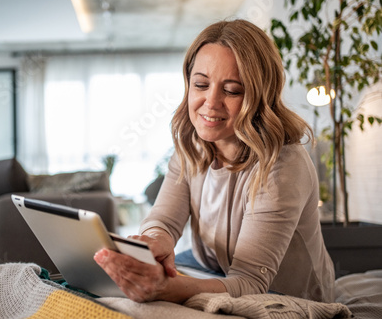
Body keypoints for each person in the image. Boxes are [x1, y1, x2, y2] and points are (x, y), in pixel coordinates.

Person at [94, 19, 335, 304]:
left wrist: (165, 289)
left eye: (232, 90)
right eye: (201, 84)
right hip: (213, 268)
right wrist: (156, 240)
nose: (210, 102)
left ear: (261, 95)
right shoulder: (192, 143)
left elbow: (250, 281)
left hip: (283, 293)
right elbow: (164, 220)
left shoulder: (283, 164)